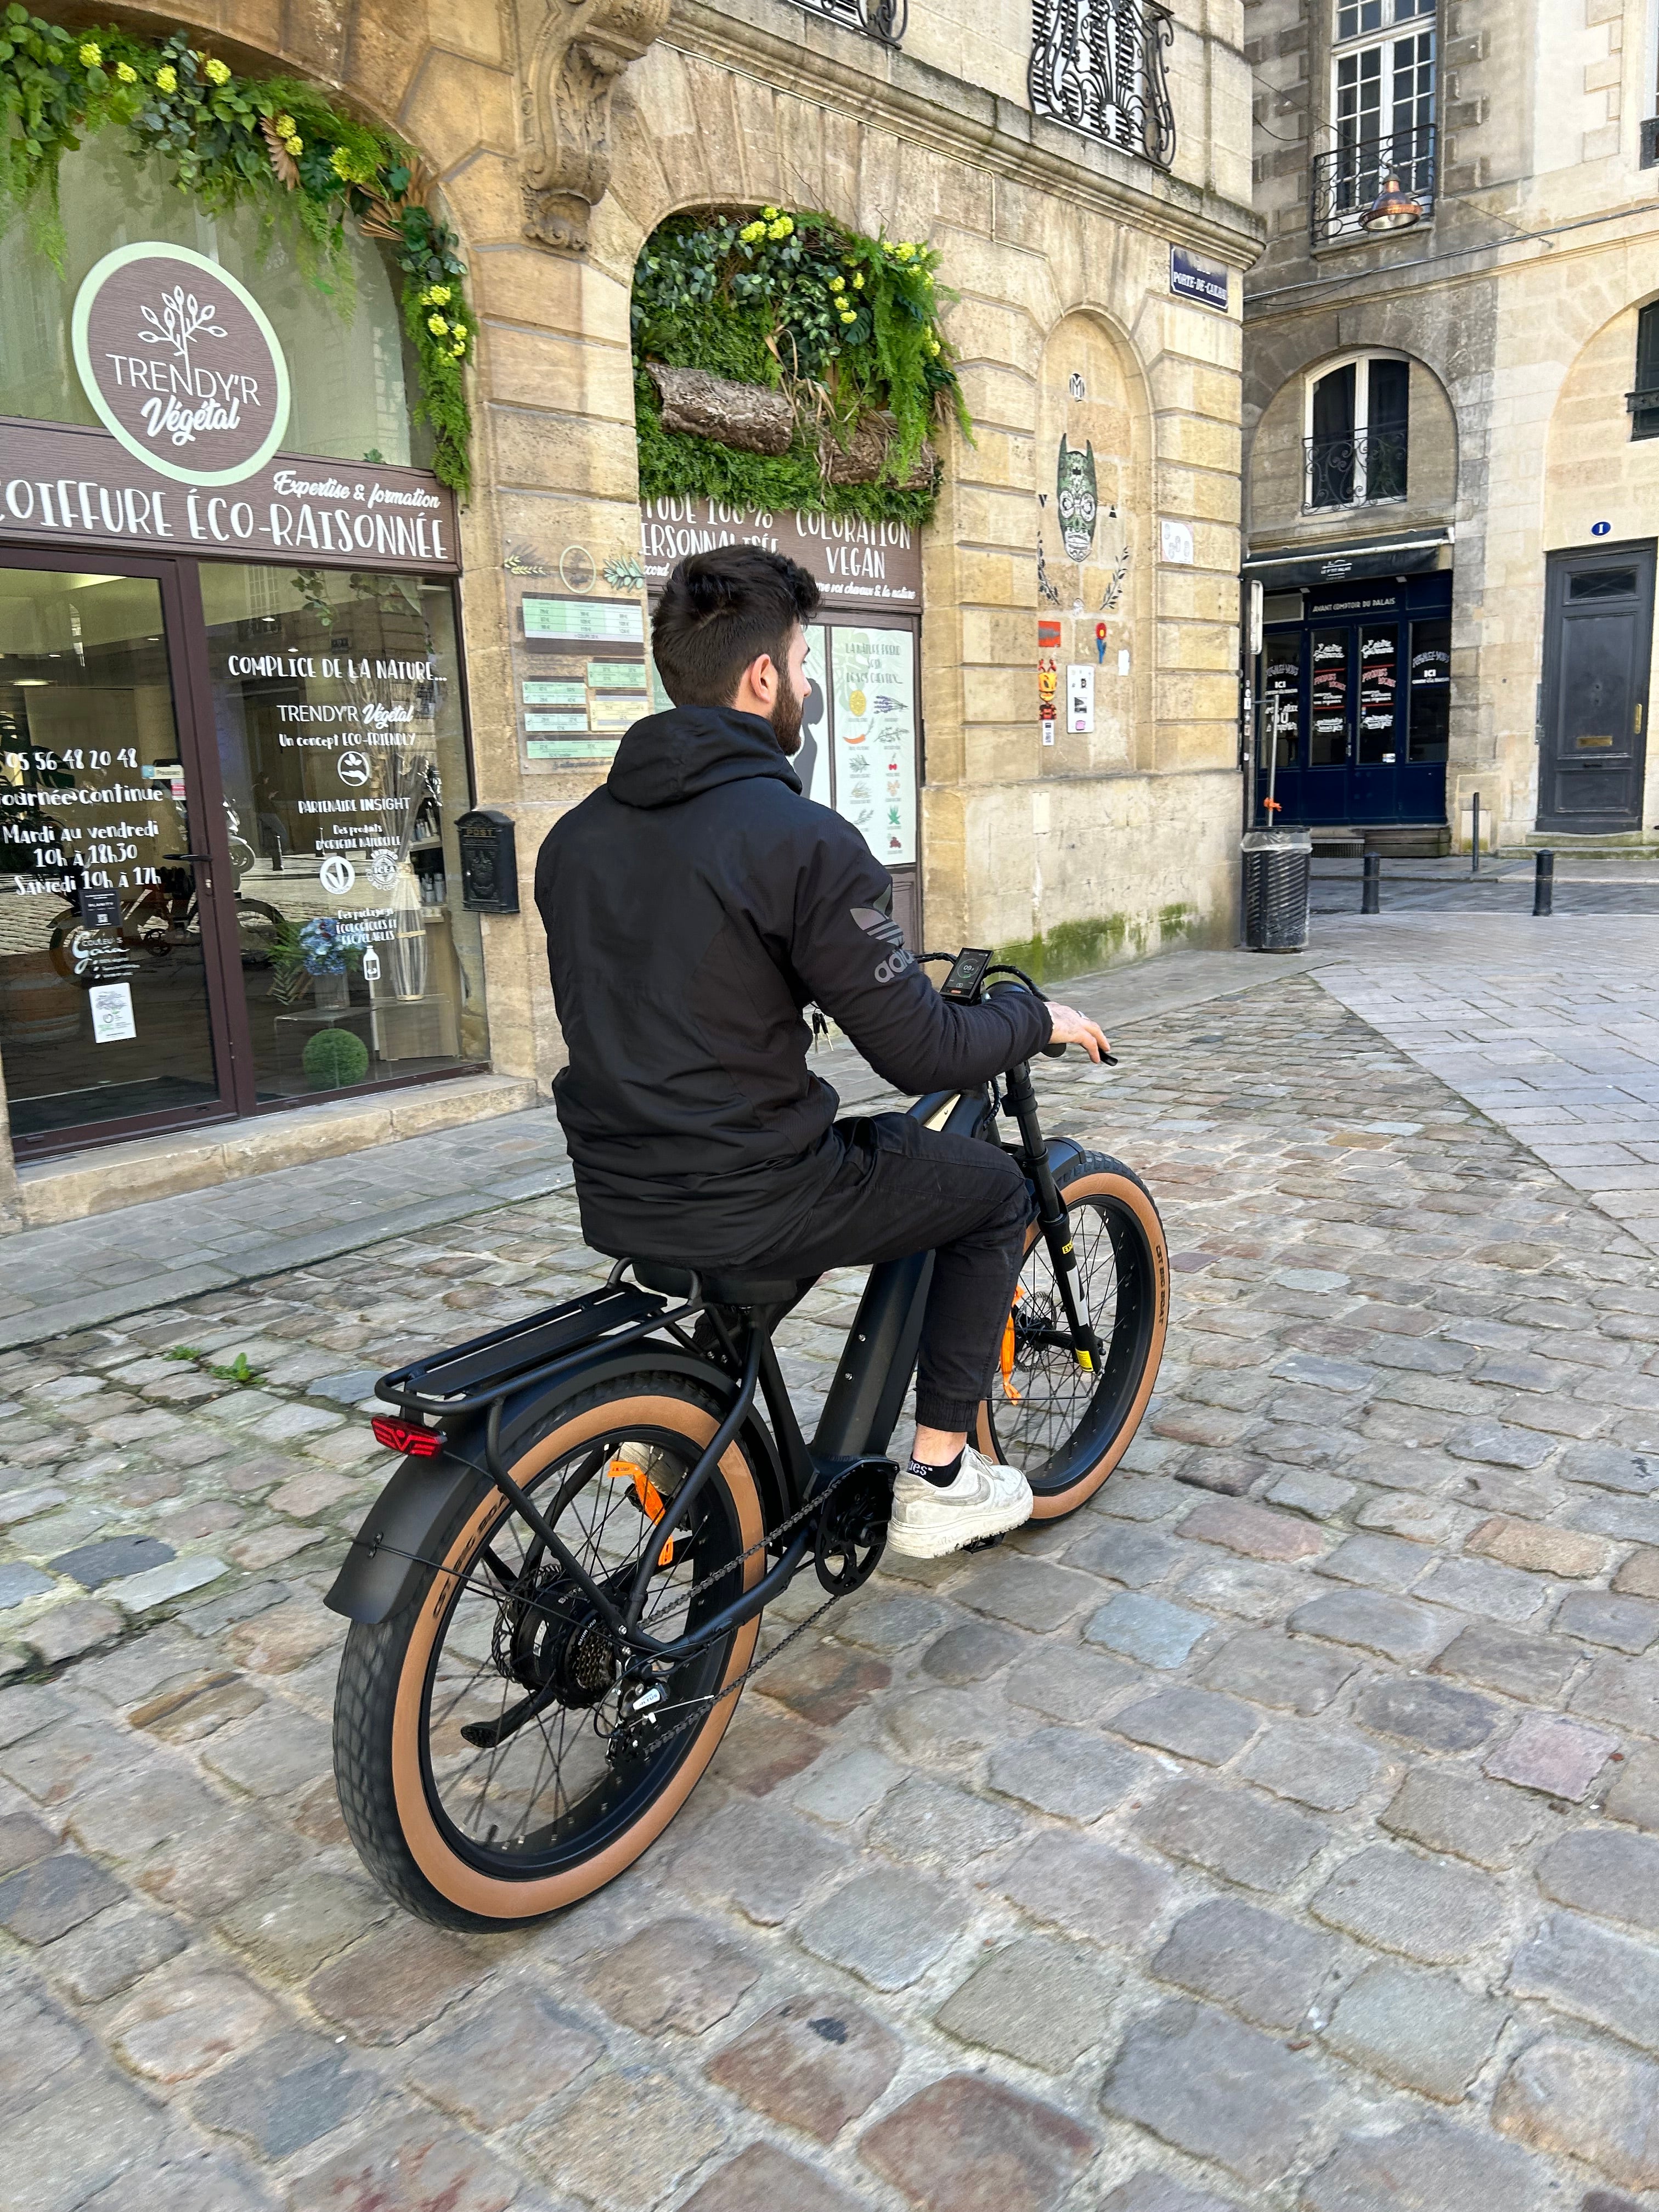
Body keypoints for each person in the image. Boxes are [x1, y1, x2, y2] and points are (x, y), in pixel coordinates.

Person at [534, 546, 1110, 1558]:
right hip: (756, 1188)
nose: (807, 684)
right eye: (803, 664)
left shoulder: (573, 839)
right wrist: (1036, 1020)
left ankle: (687, 1444)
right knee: (991, 1192)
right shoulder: (802, 839)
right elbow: (923, 1054)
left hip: (621, 1185)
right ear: (762, 676)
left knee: (772, 1199)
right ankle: (937, 1477)